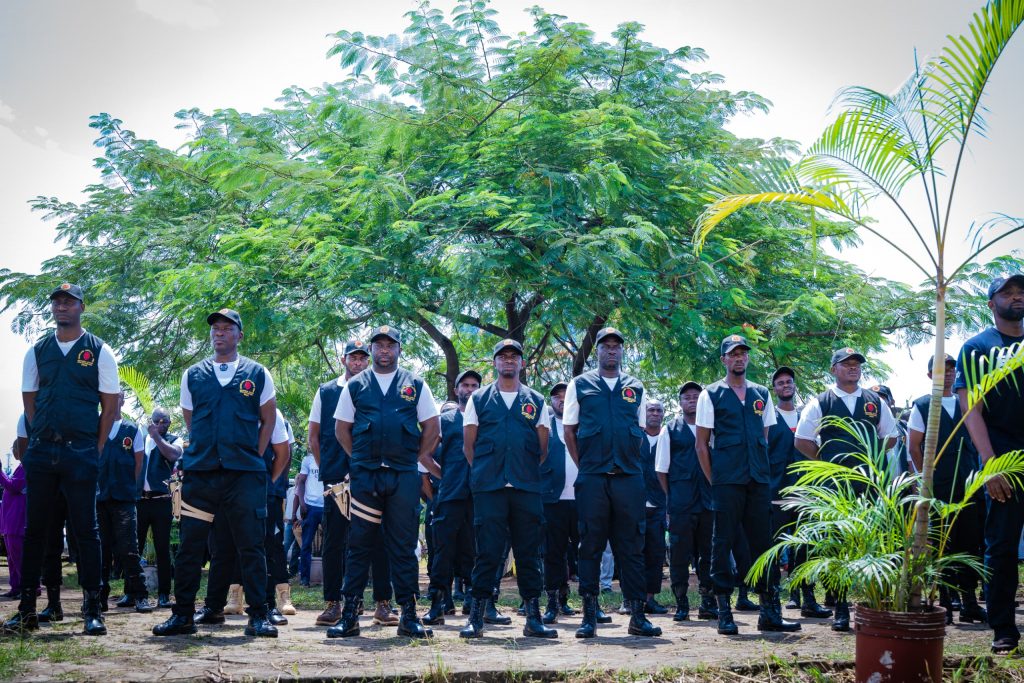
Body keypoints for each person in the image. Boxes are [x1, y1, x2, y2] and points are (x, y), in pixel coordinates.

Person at [152, 308, 280, 638]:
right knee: (192, 546)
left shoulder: (258, 373)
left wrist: (254, 453)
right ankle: (182, 615)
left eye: (227, 328)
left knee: (251, 545)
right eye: (215, 329)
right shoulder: (193, 375)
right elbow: (193, 421)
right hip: (201, 473)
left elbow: (268, 421)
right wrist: (209, 450)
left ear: (239, 335)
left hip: (244, 474)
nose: (219, 333)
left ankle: (259, 616)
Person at [3, 283, 120, 636]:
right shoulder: (37, 351)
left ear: (82, 307)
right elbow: (30, 400)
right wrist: (40, 438)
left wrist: (95, 447)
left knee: (87, 530)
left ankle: (92, 609)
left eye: (69, 302)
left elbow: (110, 405)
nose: (62, 307)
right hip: (42, 452)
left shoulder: (99, 350)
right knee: (36, 530)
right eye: (56, 302)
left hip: (82, 451)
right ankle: (27, 609)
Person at [327, 325, 440, 639]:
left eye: (391, 345)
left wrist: (412, 460)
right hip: (366, 476)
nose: (385, 350)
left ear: (399, 349)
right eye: (379, 345)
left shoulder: (415, 384)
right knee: (358, 544)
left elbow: (432, 427)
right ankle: (349, 616)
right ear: (373, 350)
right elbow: (341, 429)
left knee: (403, 546)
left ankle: (408, 615)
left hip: (403, 477)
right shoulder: (356, 385)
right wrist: (360, 461)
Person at [696, 334, 799, 636]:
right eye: (733, 354)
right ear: (724, 359)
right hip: (726, 482)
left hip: (757, 481)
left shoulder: (761, 393)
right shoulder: (711, 394)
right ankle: (724, 612)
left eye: (743, 353)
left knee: (763, 545)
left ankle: (770, 611)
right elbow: (702, 446)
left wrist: (757, 469)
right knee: (722, 543)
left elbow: (764, 437)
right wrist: (716, 480)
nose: (739, 358)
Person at [563, 326, 661, 638]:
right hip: (592, 478)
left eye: (617, 346)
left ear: (622, 352)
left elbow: (641, 428)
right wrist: (588, 467)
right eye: (605, 346)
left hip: (629, 478)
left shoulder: (636, 386)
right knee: (591, 543)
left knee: (631, 544)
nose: (611, 351)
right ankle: (589, 615)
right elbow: (570, 431)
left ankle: (637, 615)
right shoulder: (580, 385)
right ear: (597, 351)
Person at [795, 346, 897, 631]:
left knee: (872, 541)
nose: (853, 367)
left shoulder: (874, 401)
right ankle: (840, 606)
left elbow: (890, 436)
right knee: (836, 544)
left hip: (868, 485)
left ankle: (874, 605)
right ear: (833, 369)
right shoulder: (822, 402)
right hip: (835, 486)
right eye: (846, 363)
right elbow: (802, 440)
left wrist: (872, 456)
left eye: (856, 363)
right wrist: (828, 464)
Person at [459, 339, 555, 639]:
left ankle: (533, 617)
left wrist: (519, 470)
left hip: (526, 487)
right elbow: (469, 446)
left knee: (529, 553)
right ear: (495, 363)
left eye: (515, 357)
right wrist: (491, 472)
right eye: (503, 356)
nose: (509, 361)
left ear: (522, 364)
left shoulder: (536, 400)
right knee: (487, 553)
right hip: (490, 488)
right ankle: (476, 617)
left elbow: (542, 448)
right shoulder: (479, 399)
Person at [954, 274, 1024, 654]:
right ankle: (1003, 629)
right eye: (1007, 293)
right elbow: (971, 408)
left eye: (1021, 292)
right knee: (1001, 547)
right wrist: (991, 464)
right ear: (991, 303)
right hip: (1003, 460)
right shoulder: (977, 348)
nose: (1016, 298)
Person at [908, 354, 986, 625]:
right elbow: (914, 447)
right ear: (930, 375)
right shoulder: (923, 405)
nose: (949, 374)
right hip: (939, 486)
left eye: (952, 370)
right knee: (942, 545)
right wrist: (925, 479)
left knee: (970, 542)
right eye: (942, 370)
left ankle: (970, 602)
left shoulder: (969, 401)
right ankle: (945, 602)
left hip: (969, 484)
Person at [196, 408, 292, 626]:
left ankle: (266, 607)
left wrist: (264, 484)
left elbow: (283, 453)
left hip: (259, 491)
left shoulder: (273, 413)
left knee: (263, 548)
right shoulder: (222, 405)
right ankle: (213, 606)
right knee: (221, 549)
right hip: (223, 490)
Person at [307, 340, 368, 626]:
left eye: (361, 358)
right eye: (353, 358)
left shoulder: (373, 389)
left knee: (367, 539)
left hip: (367, 476)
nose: (357, 363)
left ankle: (365, 600)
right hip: (334, 480)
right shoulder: (327, 391)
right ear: (343, 360)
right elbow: (314, 436)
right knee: (333, 541)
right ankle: (332, 603)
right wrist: (328, 469)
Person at [767, 367, 830, 619]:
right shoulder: (768, 417)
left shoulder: (808, 415)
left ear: (794, 385)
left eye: (789, 381)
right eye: (780, 382)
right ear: (774, 388)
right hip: (777, 492)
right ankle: (771, 600)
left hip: (806, 492)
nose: (785, 385)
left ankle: (808, 598)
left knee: (806, 548)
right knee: (775, 548)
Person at [422, 370, 481, 625]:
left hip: (480, 495)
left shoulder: (487, 418)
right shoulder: (444, 420)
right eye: (465, 385)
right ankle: (437, 604)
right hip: (450, 495)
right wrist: (443, 476)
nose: (470, 389)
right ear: (456, 390)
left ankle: (480, 604)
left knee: (478, 551)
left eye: (474, 385)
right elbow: (424, 454)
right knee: (443, 551)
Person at [656, 382, 716, 622]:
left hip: (708, 502)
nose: (692, 400)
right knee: (679, 555)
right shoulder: (669, 430)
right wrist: (673, 497)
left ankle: (707, 601)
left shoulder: (713, 429)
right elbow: (661, 470)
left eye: (696, 396)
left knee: (709, 554)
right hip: (681, 504)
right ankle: (682, 603)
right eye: (687, 397)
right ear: (679, 403)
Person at [96, 392, 152, 613]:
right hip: (100, 499)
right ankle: (99, 598)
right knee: (101, 550)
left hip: (124, 499)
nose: (112, 400)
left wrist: (128, 487)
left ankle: (140, 595)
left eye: (116, 396)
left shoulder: (132, 429)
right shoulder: (95, 427)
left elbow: (138, 464)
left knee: (129, 549)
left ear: (122, 400)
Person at [620, 399, 667, 616]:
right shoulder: (634, 436)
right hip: (633, 504)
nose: (655, 413)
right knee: (630, 553)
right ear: (643, 413)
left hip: (659, 505)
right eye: (651, 409)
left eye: (659, 410)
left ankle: (650, 598)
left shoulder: (668, 437)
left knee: (655, 553)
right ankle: (628, 599)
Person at [539, 381, 580, 624]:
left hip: (582, 498)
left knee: (586, 552)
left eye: (567, 396)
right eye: (557, 397)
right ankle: (554, 601)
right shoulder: (544, 426)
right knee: (553, 553)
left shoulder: (583, 425)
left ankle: (590, 602)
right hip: (552, 500)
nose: (562, 400)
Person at [137, 406, 183, 609]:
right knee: (133, 549)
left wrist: (156, 437)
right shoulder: (141, 439)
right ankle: (133, 592)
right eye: (155, 421)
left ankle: (164, 594)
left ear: (169, 423)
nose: (158, 425)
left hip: (162, 500)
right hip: (140, 500)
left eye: (162, 421)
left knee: (163, 549)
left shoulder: (174, 440)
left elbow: (173, 456)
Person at [1, 425, 29, 599]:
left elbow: (13, 485)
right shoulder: (20, 467)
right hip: (9, 520)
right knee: (11, 558)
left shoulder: (27, 468)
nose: (15, 452)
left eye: (15, 449)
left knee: (19, 557)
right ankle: (16, 586)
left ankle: (29, 587)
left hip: (17, 521)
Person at [295, 451, 324, 588]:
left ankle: (330, 578)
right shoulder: (307, 460)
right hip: (311, 507)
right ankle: (304, 579)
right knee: (306, 544)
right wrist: (302, 503)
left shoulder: (332, 455)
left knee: (333, 545)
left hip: (327, 506)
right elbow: (301, 482)